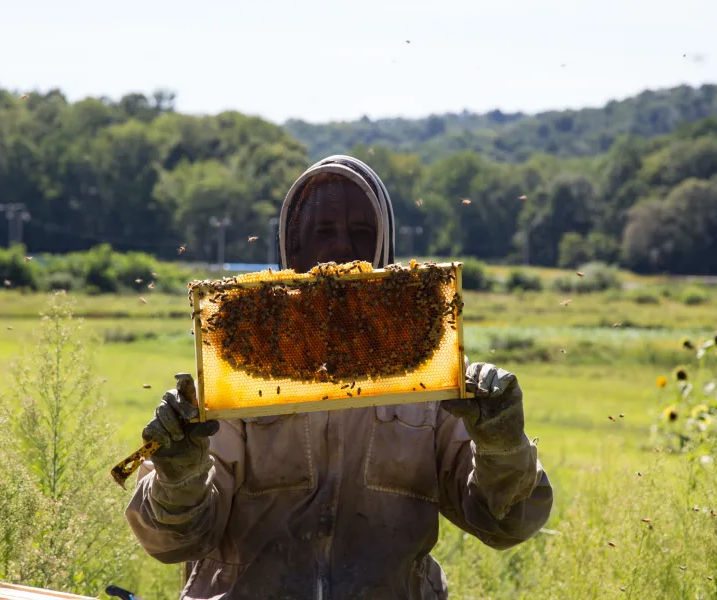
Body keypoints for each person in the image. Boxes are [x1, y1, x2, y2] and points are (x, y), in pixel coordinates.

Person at [125, 155, 553, 600]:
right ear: (293, 246)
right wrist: (180, 476)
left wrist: (503, 448)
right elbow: (171, 540)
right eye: (323, 231)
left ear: (384, 247)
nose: (342, 249)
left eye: (362, 233)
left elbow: (508, 523)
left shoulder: (432, 376)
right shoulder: (239, 367)